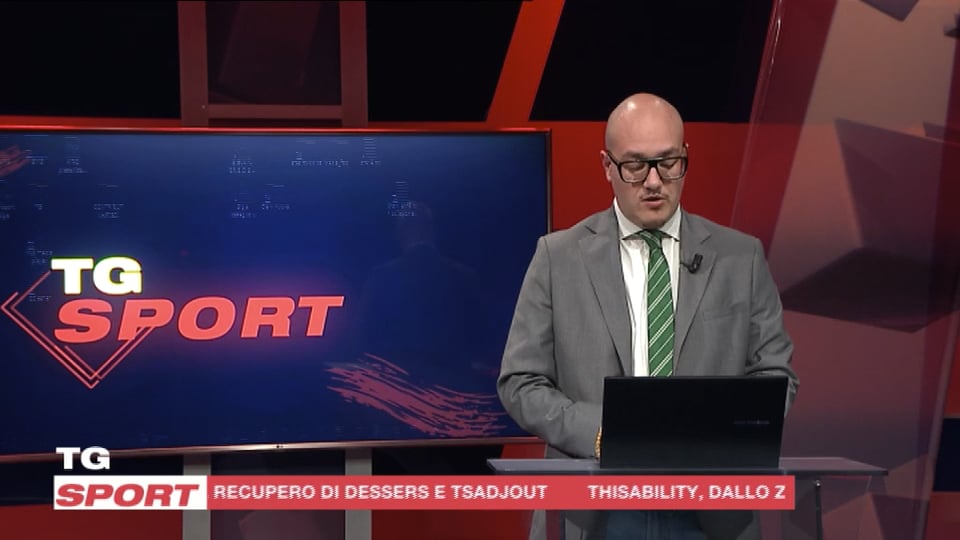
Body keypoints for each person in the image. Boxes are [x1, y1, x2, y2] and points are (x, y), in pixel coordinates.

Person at [497, 93, 799, 540]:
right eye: (636, 166)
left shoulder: (741, 258)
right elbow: (520, 382)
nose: (654, 181)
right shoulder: (558, 259)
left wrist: (715, 431)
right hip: (594, 510)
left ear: (686, 157)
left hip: (711, 511)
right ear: (607, 166)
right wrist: (602, 432)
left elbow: (777, 377)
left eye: (668, 162)